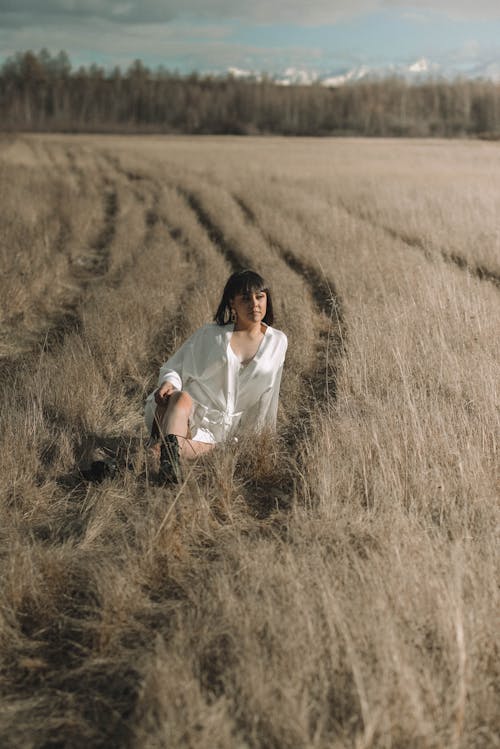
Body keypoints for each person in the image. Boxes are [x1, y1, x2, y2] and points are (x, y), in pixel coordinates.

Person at [144, 269, 288, 484]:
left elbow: (270, 393)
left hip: (222, 433)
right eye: (245, 298)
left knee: (169, 448)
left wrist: (259, 439)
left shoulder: (278, 341)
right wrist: (169, 383)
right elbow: (174, 367)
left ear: (267, 299)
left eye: (260, 297)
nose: (254, 304)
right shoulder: (211, 334)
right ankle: (168, 468)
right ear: (232, 303)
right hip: (183, 411)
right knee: (182, 398)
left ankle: (128, 463)